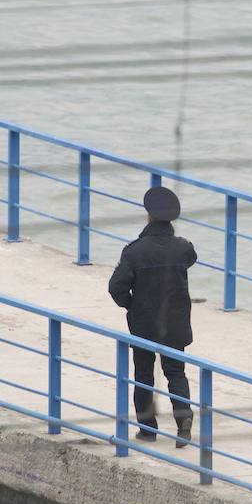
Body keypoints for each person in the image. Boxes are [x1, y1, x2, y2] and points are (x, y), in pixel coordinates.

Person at [108, 186, 198, 448]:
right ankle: (184, 423)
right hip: (176, 323)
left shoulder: (135, 251)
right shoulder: (183, 249)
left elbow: (116, 288)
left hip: (144, 323)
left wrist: (131, 306)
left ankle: (147, 429)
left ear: (148, 216)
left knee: (144, 374)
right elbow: (192, 257)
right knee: (176, 372)